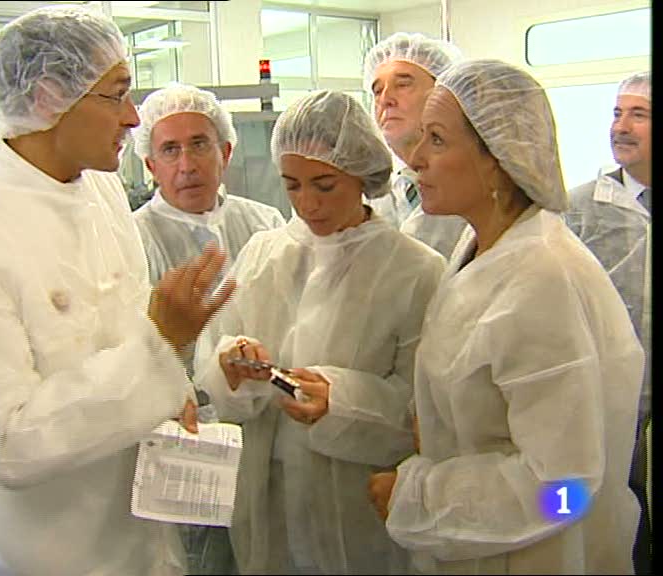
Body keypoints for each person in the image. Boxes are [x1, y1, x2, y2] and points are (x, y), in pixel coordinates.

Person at [0, 6, 234, 576]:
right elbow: (6, 443)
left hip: (148, 543)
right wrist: (158, 349)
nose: (132, 118)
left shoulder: (102, 192)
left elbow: (123, 330)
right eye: (117, 95)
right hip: (61, 558)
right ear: (47, 98)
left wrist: (166, 390)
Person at [368, 59, 644, 574]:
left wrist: (419, 497)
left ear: (497, 158)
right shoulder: (484, 250)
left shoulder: (542, 280)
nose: (416, 159)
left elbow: (567, 489)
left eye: (437, 140)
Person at [193, 90, 446, 574]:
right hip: (267, 505)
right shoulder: (264, 253)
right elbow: (214, 357)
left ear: (361, 174)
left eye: (325, 185)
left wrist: (341, 402)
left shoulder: (413, 269)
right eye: (291, 185)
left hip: (357, 509)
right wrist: (232, 364)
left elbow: (425, 408)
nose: (307, 203)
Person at [132, 82, 285, 575]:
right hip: (188, 440)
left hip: (269, 428)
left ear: (226, 151)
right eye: (169, 150)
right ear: (150, 164)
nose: (186, 164)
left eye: (199, 144)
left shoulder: (265, 222)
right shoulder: (134, 239)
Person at [564, 70, 651, 575]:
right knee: (600, 509)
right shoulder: (579, 208)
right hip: (603, 394)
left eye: (639, 114)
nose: (621, 126)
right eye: (617, 114)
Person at [362, 32, 468, 260]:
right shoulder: (370, 191)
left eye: (402, 85)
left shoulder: (476, 183)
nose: (386, 99)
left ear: (443, 93)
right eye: (377, 91)